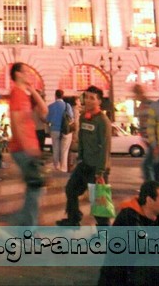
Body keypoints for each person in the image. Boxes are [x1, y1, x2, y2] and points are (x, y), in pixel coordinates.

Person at [98, 180, 159, 286]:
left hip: (139, 271)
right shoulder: (129, 216)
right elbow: (143, 245)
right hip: (120, 277)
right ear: (149, 200)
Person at [57, 85, 112, 227]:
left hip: (97, 168)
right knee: (71, 189)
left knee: (99, 201)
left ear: (99, 101)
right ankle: (73, 219)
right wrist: (79, 158)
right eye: (86, 97)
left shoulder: (103, 121)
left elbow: (105, 147)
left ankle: (104, 233)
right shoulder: (83, 117)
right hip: (84, 164)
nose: (88, 101)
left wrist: (100, 172)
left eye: (92, 98)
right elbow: (81, 139)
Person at [7, 62, 48, 225]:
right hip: (22, 149)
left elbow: (44, 110)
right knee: (35, 188)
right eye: (26, 71)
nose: (29, 74)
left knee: (35, 189)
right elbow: (16, 124)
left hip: (30, 148)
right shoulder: (16, 94)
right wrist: (29, 149)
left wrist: (32, 90)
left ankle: (22, 225)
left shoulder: (24, 94)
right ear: (18, 74)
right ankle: (24, 228)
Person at [46, 89, 73, 172]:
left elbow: (48, 119)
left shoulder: (50, 106)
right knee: (64, 150)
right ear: (63, 96)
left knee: (55, 148)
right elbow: (71, 117)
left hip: (54, 130)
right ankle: (63, 168)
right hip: (65, 130)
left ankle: (56, 166)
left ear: (55, 96)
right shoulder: (67, 105)